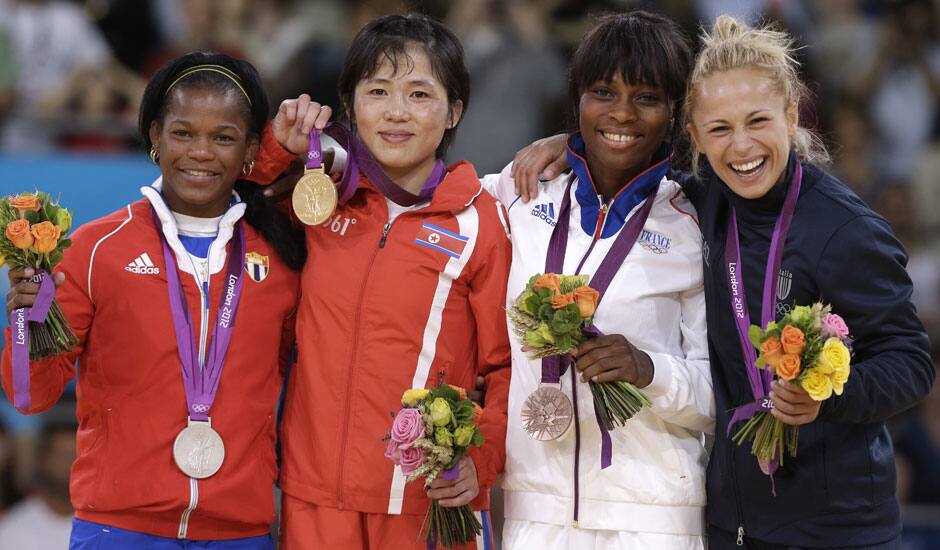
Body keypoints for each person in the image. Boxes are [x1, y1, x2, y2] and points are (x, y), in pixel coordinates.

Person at [511, 13, 935, 549]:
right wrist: (568, 146)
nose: (741, 148)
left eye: (757, 121)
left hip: (837, 528)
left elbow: (911, 363)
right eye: (719, 129)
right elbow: (626, 152)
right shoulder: (702, 201)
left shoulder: (846, 230)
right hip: (733, 523)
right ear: (694, 135)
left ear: (790, 113)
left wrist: (826, 396)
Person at [2, 51, 305, 548]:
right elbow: (28, 396)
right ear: (154, 139)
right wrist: (24, 321)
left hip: (241, 533)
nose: (201, 152)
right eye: (183, 133)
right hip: (118, 529)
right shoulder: (97, 249)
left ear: (250, 150)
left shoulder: (281, 257)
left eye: (223, 137)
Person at [248, 14, 511, 550]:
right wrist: (278, 147)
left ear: (454, 110)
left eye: (420, 94)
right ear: (349, 105)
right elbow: (231, 203)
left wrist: (480, 460)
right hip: (313, 499)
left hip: (427, 501)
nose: (396, 112)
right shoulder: (318, 197)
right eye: (378, 91)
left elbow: (507, 366)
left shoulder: (480, 221)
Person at [476, 11, 712, 549]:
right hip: (534, 514)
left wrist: (648, 370)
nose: (622, 114)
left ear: (674, 113)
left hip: (652, 517)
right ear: (577, 99)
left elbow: (718, 394)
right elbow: (425, 197)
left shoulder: (694, 227)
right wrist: (325, 157)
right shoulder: (518, 195)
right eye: (603, 92)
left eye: (647, 97)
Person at [0, 404, 76, 549]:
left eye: (75, 457)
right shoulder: (12, 528)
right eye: (61, 455)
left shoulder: (105, 528)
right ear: (42, 459)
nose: (69, 465)